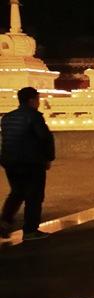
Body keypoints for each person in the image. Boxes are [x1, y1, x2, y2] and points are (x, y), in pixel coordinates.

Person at [0, 87, 54, 241]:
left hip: (10, 162)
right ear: (31, 100)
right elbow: (45, 138)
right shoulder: (34, 116)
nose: (38, 102)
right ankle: (30, 230)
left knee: (17, 192)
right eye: (37, 99)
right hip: (31, 162)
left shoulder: (7, 118)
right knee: (34, 196)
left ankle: (5, 221)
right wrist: (48, 158)